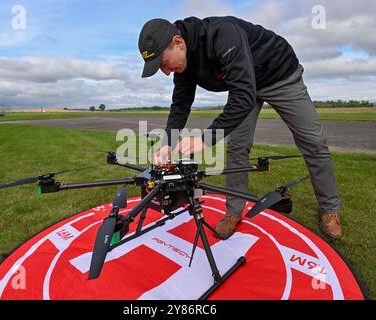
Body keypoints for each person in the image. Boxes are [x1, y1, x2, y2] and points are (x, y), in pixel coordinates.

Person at [138, 16, 343, 240]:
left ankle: (329, 209)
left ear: (178, 42)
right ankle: (234, 212)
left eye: (163, 63)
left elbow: (244, 95)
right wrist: (168, 143)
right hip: (245, 87)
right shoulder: (183, 65)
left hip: (280, 75)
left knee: (313, 143)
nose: (166, 71)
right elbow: (181, 104)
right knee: (237, 147)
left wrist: (206, 138)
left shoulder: (223, 35)